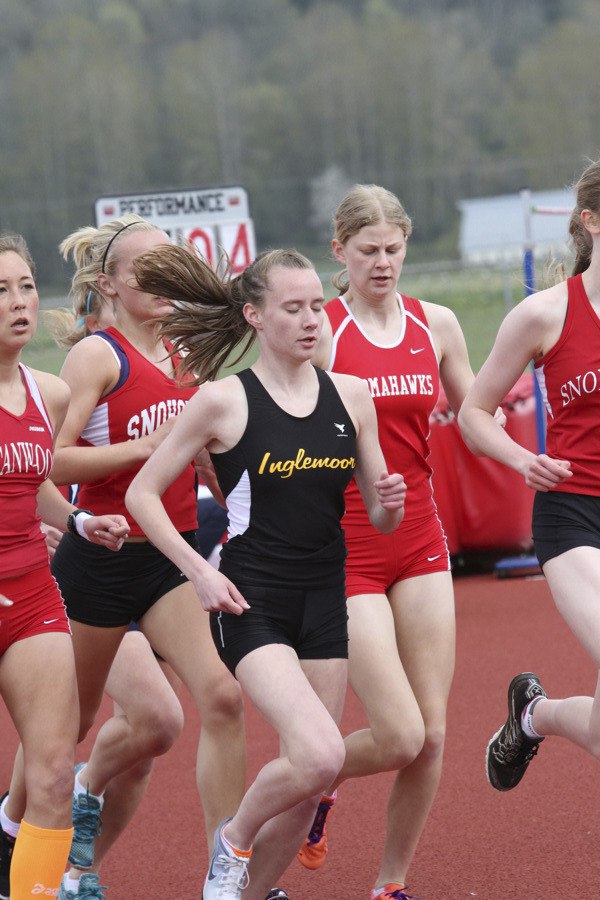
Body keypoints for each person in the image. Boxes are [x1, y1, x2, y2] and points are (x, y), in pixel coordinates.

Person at [125, 243, 406, 900]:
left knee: (309, 792)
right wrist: (196, 570)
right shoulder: (223, 402)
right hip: (252, 604)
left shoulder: (353, 396)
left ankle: (244, 892)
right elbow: (143, 492)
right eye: (293, 309)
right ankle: (234, 838)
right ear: (254, 315)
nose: (312, 320)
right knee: (321, 754)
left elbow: (378, 516)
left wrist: (387, 505)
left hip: (324, 602)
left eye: (317, 307)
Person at [1, 216, 247, 900]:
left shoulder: (185, 353)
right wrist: (141, 453)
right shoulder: (97, 358)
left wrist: (244, 510)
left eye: (172, 266)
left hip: (168, 558)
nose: (164, 281)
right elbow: (55, 459)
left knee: (221, 698)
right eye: (147, 270)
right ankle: (13, 828)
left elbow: (202, 450)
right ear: (109, 284)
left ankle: (223, 874)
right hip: (99, 563)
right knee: (67, 727)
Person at [294, 184, 484, 900]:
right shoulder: (326, 332)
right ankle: (319, 774)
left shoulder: (436, 324)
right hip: (344, 547)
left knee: (432, 737)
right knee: (398, 733)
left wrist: (531, 457)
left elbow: (475, 410)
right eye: (367, 251)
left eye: (394, 249)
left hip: (420, 536)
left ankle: (390, 885)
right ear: (338, 251)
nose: (383, 263)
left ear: (408, 245)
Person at [458, 159, 600, 797]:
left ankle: (532, 716)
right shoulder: (545, 315)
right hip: (574, 514)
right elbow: (472, 412)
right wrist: (521, 459)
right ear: (590, 221)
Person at [0, 233, 128, 900]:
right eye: (1, 291)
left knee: (52, 775)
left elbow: (33, 482)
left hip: (31, 598)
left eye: (24, 285)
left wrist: (75, 520)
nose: (19, 301)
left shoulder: (46, 393)